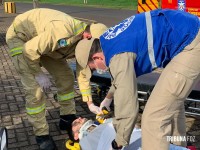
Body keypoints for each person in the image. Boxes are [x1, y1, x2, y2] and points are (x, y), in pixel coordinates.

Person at [75, 9, 200, 150]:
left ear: (96, 57)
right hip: (186, 31)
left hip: (189, 43)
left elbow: (127, 105)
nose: (97, 70)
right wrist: (109, 97)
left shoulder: (117, 57)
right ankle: (179, 145)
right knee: (171, 105)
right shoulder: (109, 41)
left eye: (92, 68)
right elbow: (122, 78)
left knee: (153, 118)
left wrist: (118, 142)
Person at [6, 8, 107, 150]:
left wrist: (90, 103)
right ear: (88, 37)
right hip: (22, 39)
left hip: (47, 48)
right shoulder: (62, 31)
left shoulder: (84, 42)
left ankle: (67, 117)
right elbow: (29, 50)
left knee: (66, 78)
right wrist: (38, 74)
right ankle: (41, 135)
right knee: (36, 91)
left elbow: (82, 71)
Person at [71, 117, 190, 150]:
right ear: (75, 136)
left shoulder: (103, 124)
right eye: (76, 122)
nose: (80, 118)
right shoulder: (84, 141)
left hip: (144, 138)